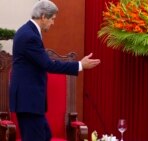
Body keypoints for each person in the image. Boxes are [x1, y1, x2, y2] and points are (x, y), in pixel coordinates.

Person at [9, 0, 100, 141]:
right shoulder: (29, 36)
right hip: (28, 101)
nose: (53, 23)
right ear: (43, 16)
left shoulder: (29, 31)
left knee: (45, 135)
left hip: (30, 102)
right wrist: (79, 65)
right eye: (52, 19)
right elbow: (48, 64)